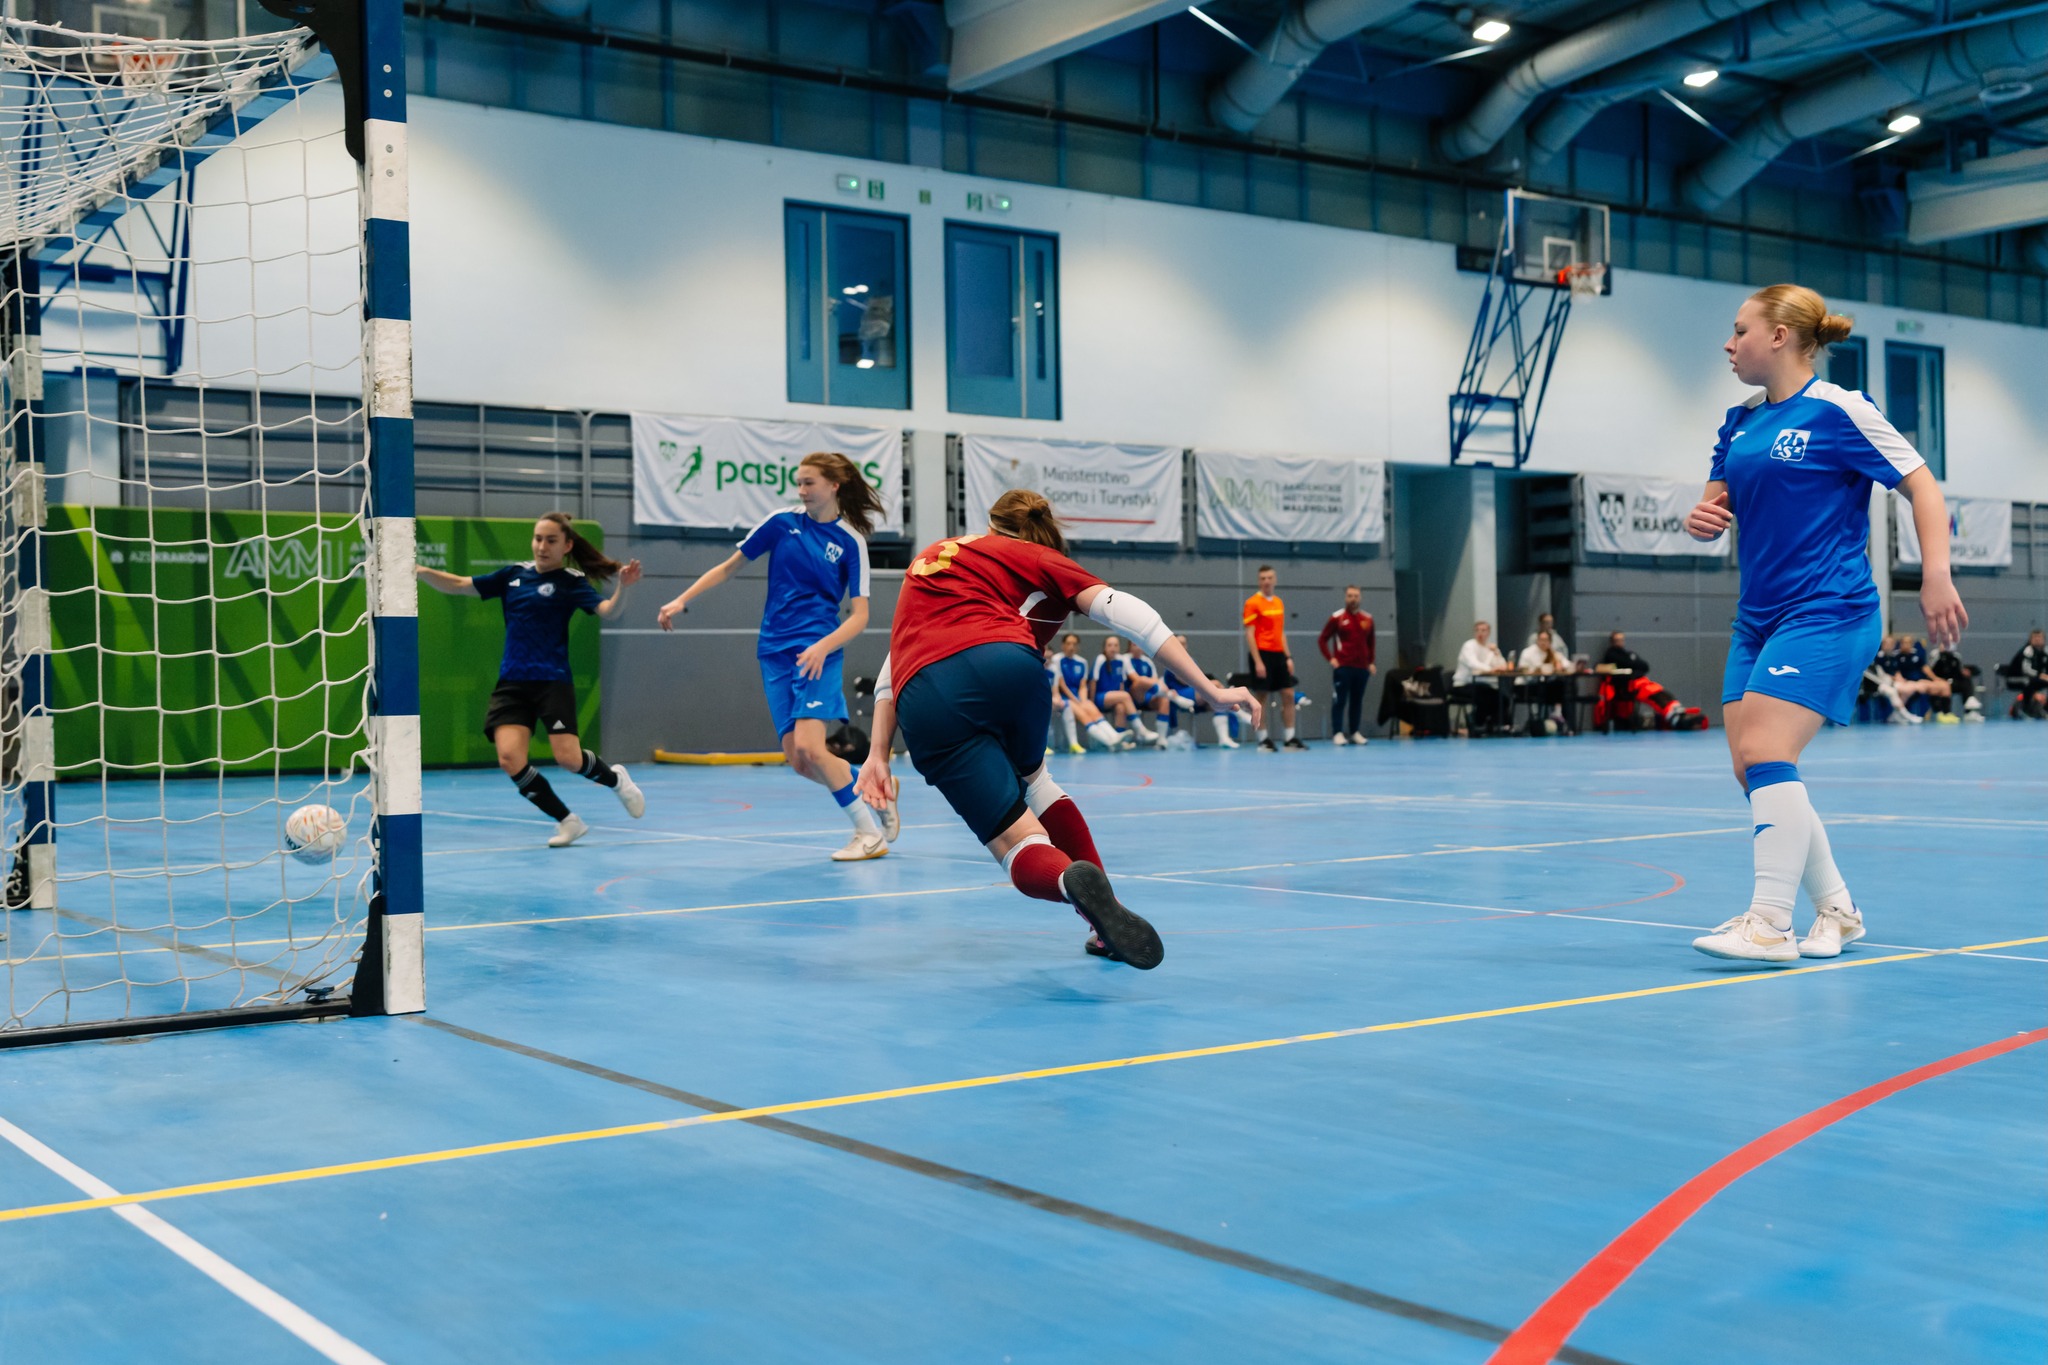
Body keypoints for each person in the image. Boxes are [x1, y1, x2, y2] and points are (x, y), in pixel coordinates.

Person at [854, 490, 1258, 970]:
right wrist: (1208, 688)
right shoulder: (1042, 559)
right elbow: (1131, 613)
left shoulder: (933, 556)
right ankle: (1103, 923)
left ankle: (1069, 882)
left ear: (991, 524)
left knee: (1017, 842)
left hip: (929, 692)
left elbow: (894, 665)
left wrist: (877, 753)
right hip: (1014, 667)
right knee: (1036, 781)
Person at [1684, 283, 1965, 964]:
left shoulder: (1841, 411)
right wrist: (1701, 517)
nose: (1728, 344)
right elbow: (1716, 501)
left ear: (1779, 336)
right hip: (1757, 620)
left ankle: (1770, 923)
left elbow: (1921, 484)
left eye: (1740, 330)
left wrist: (1935, 573)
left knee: (1766, 752)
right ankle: (1837, 910)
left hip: (1829, 609)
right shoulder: (1740, 421)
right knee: (1752, 768)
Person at [655, 452, 898, 861]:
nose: (801, 490)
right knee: (800, 762)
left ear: (834, 485)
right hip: (774, 651)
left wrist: (823, 645)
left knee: (813, 748)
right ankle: (875, 785)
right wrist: (682, 599)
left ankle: (868, 834)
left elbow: (860, 616)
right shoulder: (781, 523)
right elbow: (729, 567)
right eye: (798, 483)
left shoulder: (850, 541)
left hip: (818, 652)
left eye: (809, 482)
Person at [416, 512, 646, 848]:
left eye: (551, 540)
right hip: (513, 683)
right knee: (510, 759)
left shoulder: (571, 582)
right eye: (538, 539)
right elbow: (460, 584)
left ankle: (616, 780)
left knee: (568, 758)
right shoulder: (513, 576)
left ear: (567, 545)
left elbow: (609, 610)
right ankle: (568, 821)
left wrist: (624, 588)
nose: (542, 546)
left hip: (552, 681)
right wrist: (419, 571)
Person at [1242, 565, 1304, 750]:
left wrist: (1288, 657)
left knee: (1288, 694)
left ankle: (1289, 738)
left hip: (1279, 655)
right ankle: (1263, 739)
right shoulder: (1252, 603)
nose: (1266, 581)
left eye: (1269, 578)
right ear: (1259, 581)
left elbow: (1281, 632)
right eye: (1263, 578)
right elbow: (1250, 634)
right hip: (1262, 654)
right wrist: (1258, 661)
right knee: (1261, 697)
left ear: (1275, 579)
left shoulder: (1278, 602)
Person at [1318, 585, 1376, 746]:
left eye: (1356, 596)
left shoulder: (1368, 619)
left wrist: (1371, 662)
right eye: (1350, 596)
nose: (1353, 599)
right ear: (1345, 597)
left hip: (1362, 668)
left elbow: (1371, 643)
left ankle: (1354, 732)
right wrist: (1331, 658)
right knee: (1340, 700)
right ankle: (1337, 732)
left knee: (1357, 701)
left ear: (1360, 597)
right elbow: (1322, 639)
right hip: (1343, 667)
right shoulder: (1337, 618)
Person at [1090, 635, 1157, 745]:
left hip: (1115, 698)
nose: (1113, 648)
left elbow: (1121, 683)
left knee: (1121, 707)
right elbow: (1093, 681)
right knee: (1125, 696)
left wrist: (1120, 697)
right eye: (1110, 645)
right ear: (1105, 648)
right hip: (1100, 697)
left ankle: (1120, 742)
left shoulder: (1121, 660)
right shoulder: (1101, 659)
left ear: (1119, 647)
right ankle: (1141, 730)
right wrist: (1092, 704)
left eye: (1115, 645)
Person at [1452, 621, 1513, 732]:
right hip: (1464, 684)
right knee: (1484, 697)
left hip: (1483, 685)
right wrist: (1490, 669)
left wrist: (1496, 653)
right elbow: (1473, 663)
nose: (1480, 633)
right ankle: (1476, 724)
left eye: (1483, 630)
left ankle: (1496, 726)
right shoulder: (1469, 646)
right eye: (1477, 630)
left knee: (1503, 699)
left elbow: (1503, 666)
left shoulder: (1491, 648)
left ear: (1488, 632)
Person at [1515, 628, 1573, 734]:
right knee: (1546, 688)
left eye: (1546, 640)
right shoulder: (1528, 652)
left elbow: (1567, 664)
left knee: (1561, 685)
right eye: (1541, 639)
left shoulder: (1553, 653)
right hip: (1527, 686)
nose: (1543, 642)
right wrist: (1536, 670)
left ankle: (1558, 714)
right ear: (1537, 640)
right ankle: (1539, 720)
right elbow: (1522, 669)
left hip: (1545, 686)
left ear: (1550, 641)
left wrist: (1560, 666)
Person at [1051, 634, 1092, 751]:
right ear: (1062, 645)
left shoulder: (1082, 662)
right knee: (1077, 709)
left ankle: (1113, 737)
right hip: (1065, 698)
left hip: (1078, 698)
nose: (1071, 647)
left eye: (1074, 644)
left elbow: (1083, 686)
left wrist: (1083, 700)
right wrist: (1076, 700)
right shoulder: (1056, 659)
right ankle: (1109, 740)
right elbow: (1061, 685)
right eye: (1068, 643)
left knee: (1089, 706)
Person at [2002, 629, 2048, 719]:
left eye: (2040, 637)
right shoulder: (2027, 651)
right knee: (2028, 682)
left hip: (2034, 678)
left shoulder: (2046, 651)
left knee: (2034, 682)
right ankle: (2026, 709)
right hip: (2014, 679)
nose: (2037, 639)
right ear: (2030, 639)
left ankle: (2045, 709)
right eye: (2035, 637)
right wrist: (2042, 676)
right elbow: (2026, 670)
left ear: (2044, 639)